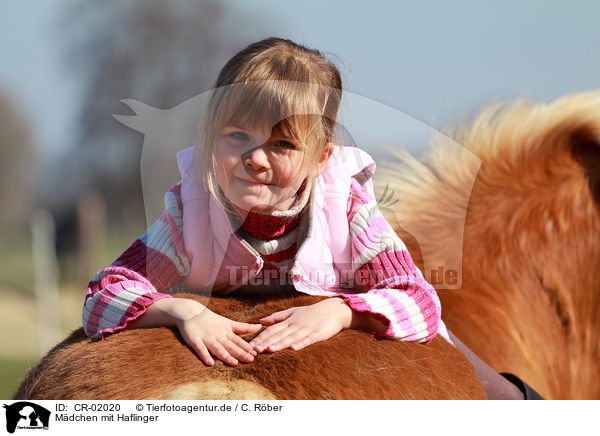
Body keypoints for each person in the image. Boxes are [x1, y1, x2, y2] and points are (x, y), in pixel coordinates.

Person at [82, 36, 541, 400]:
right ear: (210, 139)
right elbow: (105, 294)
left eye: (282, 145)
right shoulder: (190, 208)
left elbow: (420, 303)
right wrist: (184, 311)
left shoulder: (347, 207)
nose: (255, 159)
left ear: (320, 158)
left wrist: (342, 311)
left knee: (496, 395)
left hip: (339, 304)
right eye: (237, 135)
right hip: (216, 311)